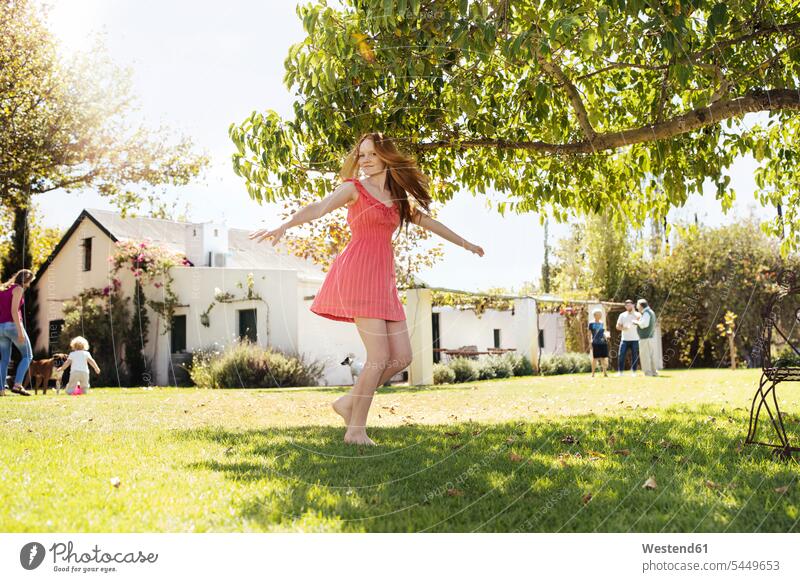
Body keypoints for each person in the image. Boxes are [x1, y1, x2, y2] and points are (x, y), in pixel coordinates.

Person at [250, 132, 485, 445]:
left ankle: (348, 402)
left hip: (384, 279)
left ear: (386, 155)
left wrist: (467, 243)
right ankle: (355, 431)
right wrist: (284, 225)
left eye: (372, 154)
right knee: (378, 355)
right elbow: (317, 207)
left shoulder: (398, 199)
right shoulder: (354, 188)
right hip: (358, 273)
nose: (366, 160)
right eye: (362, 155)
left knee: (401, 357)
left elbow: (430, 223)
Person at [0, 269, 35, 396]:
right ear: (26, 280)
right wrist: (20, 331)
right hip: (13, 326)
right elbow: (14, 311)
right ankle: (18, 385)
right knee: (27, 355)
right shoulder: (18, 289)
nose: (29, 284)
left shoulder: (3, 289)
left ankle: (1, 390)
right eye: (29, 281)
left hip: (1, 327)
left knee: (4, 360)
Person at [633, 298, 659, 376]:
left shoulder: (646, 313)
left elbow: (644, 324)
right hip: (649, 338)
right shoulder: (650, 312)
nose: (637, 308)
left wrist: (636, 322)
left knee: (645, 356)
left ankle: (648, 373)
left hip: (645, 338)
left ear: (641, 306)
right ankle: (654, 372)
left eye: (638, 306)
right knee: (650, 355)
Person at [615, 299, 641, 377]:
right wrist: (623, 328)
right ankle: (620, 372)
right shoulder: (622, 315)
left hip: (635, 339)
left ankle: (634, 372)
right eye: (626, 305)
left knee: (634, 356)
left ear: (633, 305)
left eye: (629, 305)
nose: (628, 306)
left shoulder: (638, 314)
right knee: (621, 355)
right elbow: (617, 326)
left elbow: (641, 324)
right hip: (624, 339)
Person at [588, 309, 609, 377]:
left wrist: (606, 336)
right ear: (594, 315)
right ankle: (593, 374)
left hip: (603, 342)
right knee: (595, 358)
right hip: (595, 342)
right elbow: (589, 334)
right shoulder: (591, 323)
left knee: (603, 358)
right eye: (599, 314)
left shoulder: (602, 323)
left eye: (600, 314)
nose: (600, 315)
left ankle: (605, 373)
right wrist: (590, 343)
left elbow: (603, 332)